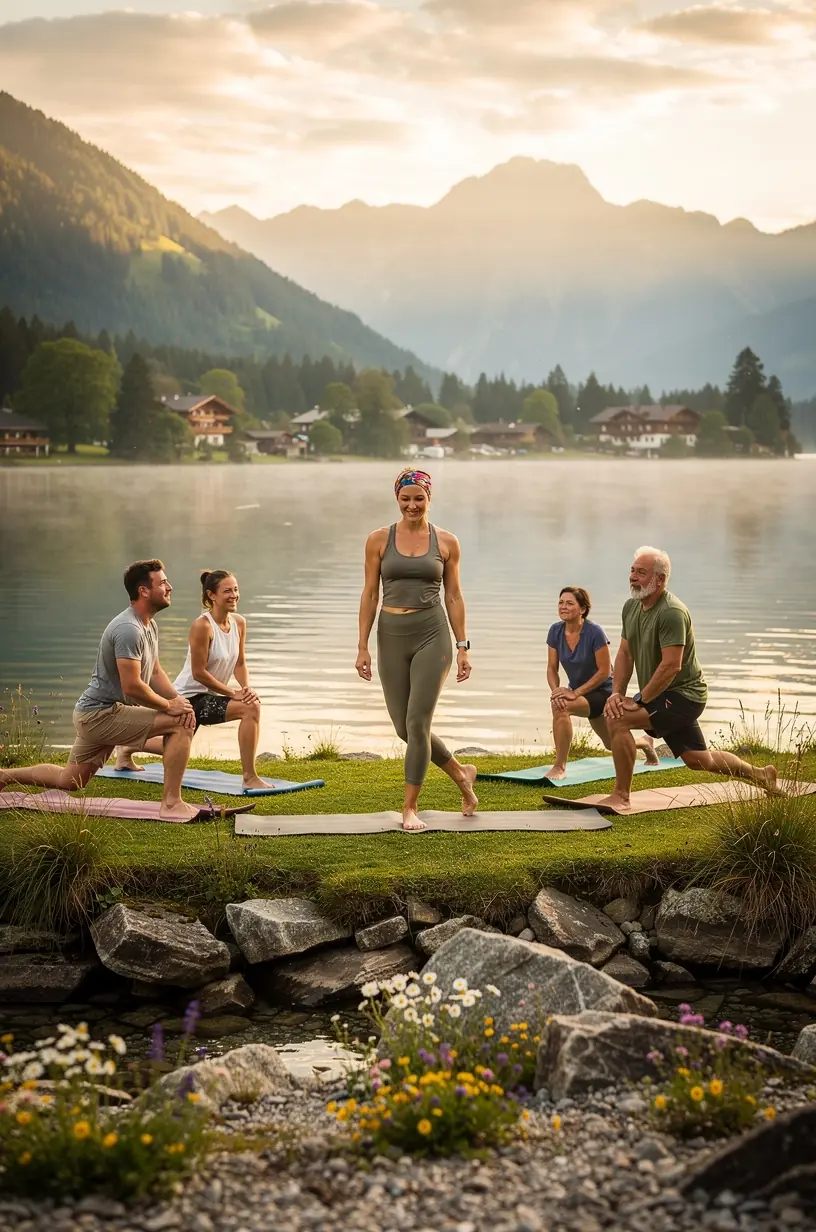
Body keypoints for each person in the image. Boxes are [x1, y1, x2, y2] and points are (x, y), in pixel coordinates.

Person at [0, 560, 201, 822]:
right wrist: (168, 707)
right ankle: (172, 803)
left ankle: (4, 775)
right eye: (163, 583)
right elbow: (133, 686)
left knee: (70, 781)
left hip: (99, 713)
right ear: (143, 591)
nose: (169, 586)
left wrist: (178, 699)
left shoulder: (148, 625)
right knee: (180, 724)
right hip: (100, 715)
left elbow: (153, 673)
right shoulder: (129, 629)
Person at [599, 545, 779, 810]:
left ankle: (621, 795)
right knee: (697, 760)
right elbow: (625, 652)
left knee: (617, 720)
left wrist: (639, 699)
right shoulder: (631, 607)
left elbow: (672, 666)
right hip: (662, 693)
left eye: (641, 572)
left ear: (659, 579)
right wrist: (616, 692)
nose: (633, 577)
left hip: (684, 695)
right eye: (632, 570)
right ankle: (762, 774)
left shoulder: (672, 612)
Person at [355, 467, 478, 831]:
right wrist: (361, 645)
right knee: (403, 728)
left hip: (432, 632)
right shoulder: (378, 540)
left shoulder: (447, 542)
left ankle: (410, 807)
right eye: (406, 499)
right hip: (390, 634)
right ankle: (461, 774)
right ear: (397, 499)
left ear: (429, 498)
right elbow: (370, 593)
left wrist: (463, 647)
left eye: (419, 499)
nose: (412, 505)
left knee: (418, 721)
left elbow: (453, 596)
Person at [114, 570, 267, 790]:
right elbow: (199, 673)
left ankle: (127, 747)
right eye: (227, 591)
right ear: (212, 596)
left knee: (249, 704)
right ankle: (249, 777)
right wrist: (234, 694)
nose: (234, 595)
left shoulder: (239, 623)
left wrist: (246, 688)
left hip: (212, 695)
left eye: (236, 589)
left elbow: (240, 663)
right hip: (190, 697)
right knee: (250, 709)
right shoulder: (202, 626)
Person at [546, 585, 658, 779]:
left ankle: (560, 767)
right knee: (610, 745)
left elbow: (605, 671)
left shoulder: (594, 632)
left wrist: (574, 693)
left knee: (563, 707)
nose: (563, 606)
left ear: (582, 609)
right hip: (582, 693)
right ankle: (645, 742)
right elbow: (551, 668)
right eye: (561, 602)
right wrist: (556, 691)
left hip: (603, 693)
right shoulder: (555, 631)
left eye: (569, 603)